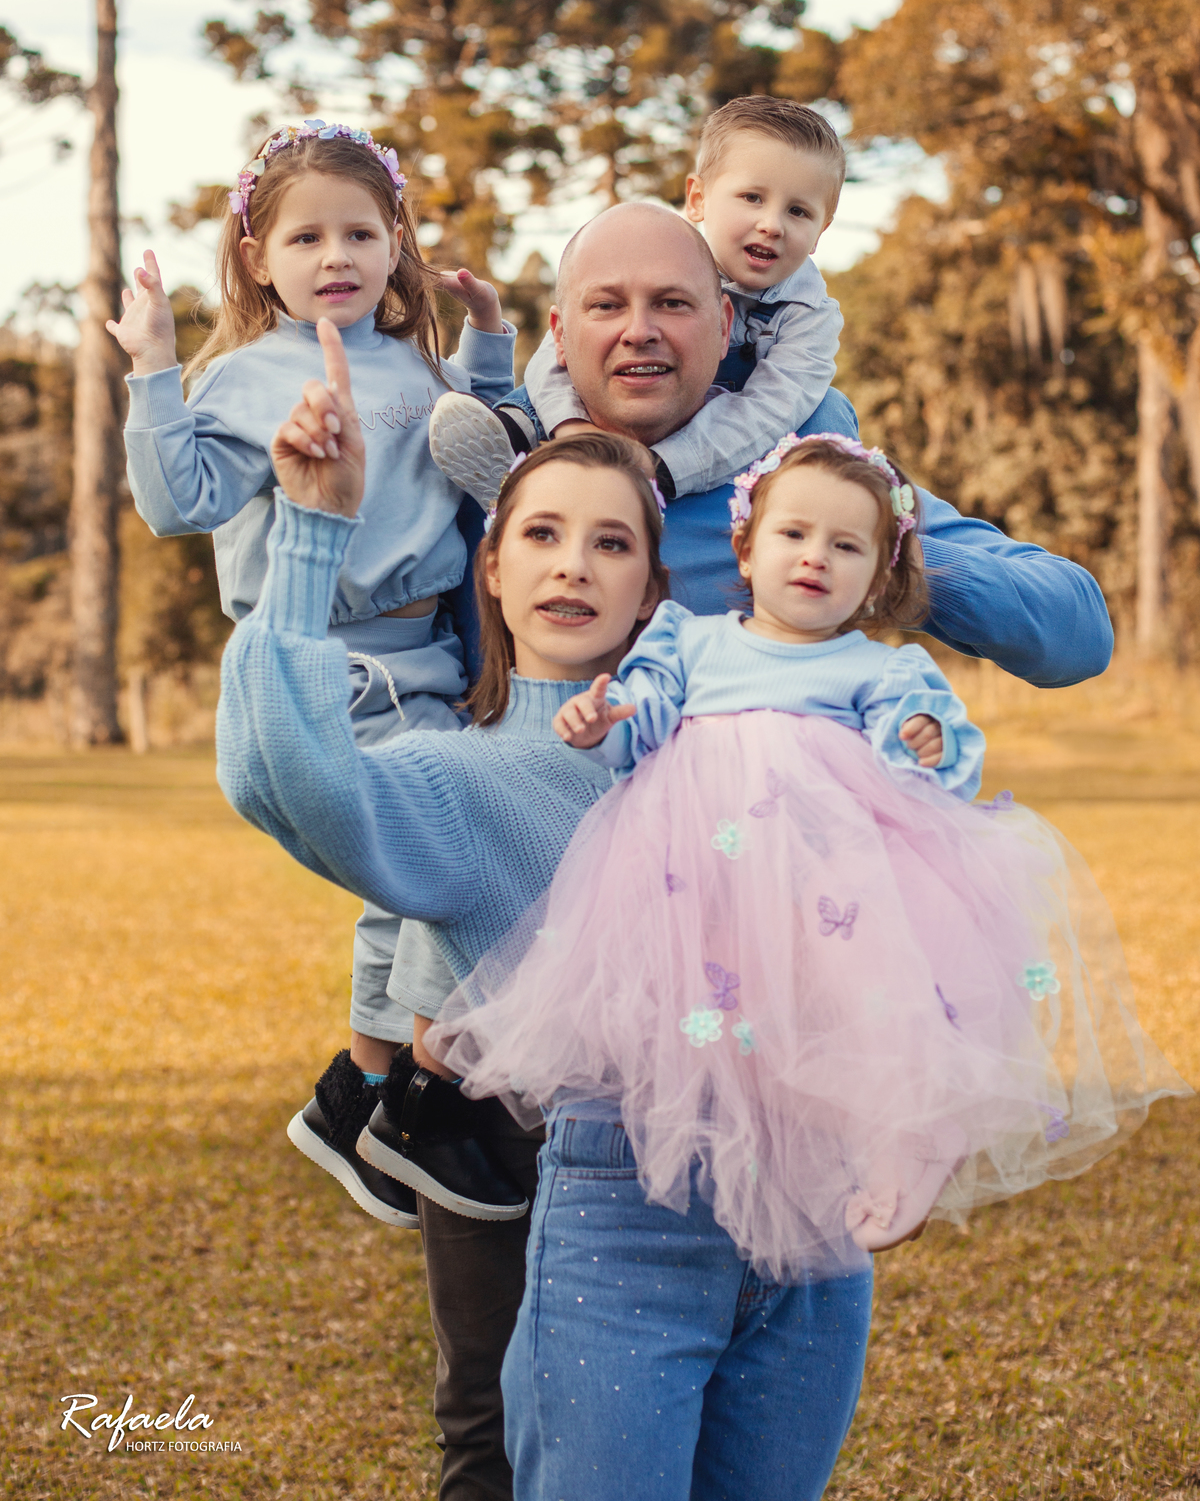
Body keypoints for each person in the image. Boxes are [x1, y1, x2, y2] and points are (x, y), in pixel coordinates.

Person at [215, 344, 877, 1501]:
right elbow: (291, 780)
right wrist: (313, 534)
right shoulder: (459, 781)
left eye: (612, 543)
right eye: (543, 534)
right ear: (493, 565)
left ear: (652, 587)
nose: (574, 564)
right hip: (626, 1238)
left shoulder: (735, 730)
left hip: (810, 1231)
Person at [434, 431, 1187, 1283]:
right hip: (696, 871)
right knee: (707, 1015)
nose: (814, 558)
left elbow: (937, 754)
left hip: (828, 876)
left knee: (859, 998)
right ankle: (693, 1146)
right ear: (746, 549)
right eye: (793, 534)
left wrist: (925, 738)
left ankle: (907, 1133)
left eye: (846, 546)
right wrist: (603, 724)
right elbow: (642, 722)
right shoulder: (689, 638)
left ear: (880, 579)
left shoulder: (878, 668)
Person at [110, 118, 521, 1233]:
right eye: (305, 238)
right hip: (327, 664)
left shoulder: (418, 364)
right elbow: (176, 503)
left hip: (434, 659)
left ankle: (363, 1096)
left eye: (359, 233)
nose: (335, 256)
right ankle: (396, 1096)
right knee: (429, 865)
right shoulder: (246, 376)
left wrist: (490, 339)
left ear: (396, 245)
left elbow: (481, 444)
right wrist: (153, 365)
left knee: (426, 876)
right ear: (257, 258)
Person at [516, 95, 846, 494]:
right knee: (552, 381)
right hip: (621, 412)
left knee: (827, 411)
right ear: (698, 200)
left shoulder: (810, 315)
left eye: (798, 212)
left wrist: (661, 467)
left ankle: (834, 501)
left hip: (725, 441)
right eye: (752, 197)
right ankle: (510, 434)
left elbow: (769, 411)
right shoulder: (666, 261)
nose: (772, 225)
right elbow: (561, 345)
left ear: (820, 232)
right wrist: (572, 429)